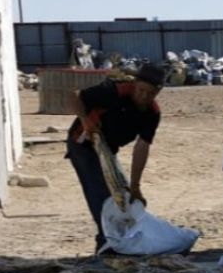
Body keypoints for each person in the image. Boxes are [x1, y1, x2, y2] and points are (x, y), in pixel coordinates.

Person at [65, 63, 165, 253]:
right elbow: (74, 96)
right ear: (135, 84)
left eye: (150, 93)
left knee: (123, 194)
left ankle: (122, 241)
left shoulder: (152, 113)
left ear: (158, 92)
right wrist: (85, 120)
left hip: (107, 150)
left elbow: (142, 148)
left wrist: (136, 186)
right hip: (84, 144)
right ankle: (106, 245)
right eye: (142, 90)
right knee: (103, 198)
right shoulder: (114, 91)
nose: (144, 97)